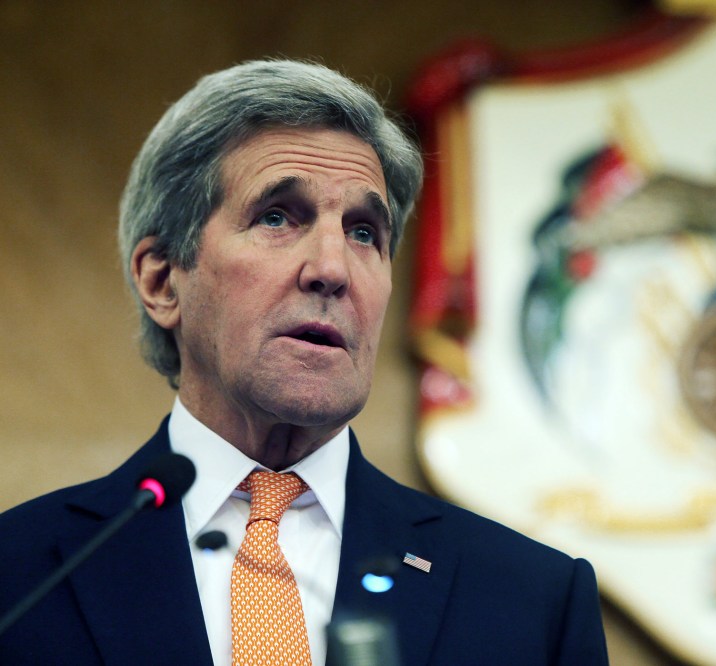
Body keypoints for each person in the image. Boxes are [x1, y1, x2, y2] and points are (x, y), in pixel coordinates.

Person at [0, 59, 609, 665]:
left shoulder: (532, 602)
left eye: (365, 232)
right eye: (276, 217)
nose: (333, 269)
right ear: (162, 280)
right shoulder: (21, 574)